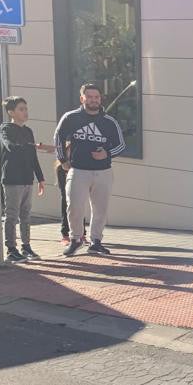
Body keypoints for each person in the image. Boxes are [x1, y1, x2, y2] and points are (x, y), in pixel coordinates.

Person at [53, 83, 125, 257]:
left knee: (100, 209)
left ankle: (96, 242)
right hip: (78, 170)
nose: (94, 100)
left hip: (103, 172)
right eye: (90, 97)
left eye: (97, 97)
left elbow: (121, 145)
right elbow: (58, 137)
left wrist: (107, 154)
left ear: (100, 99)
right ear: (82, 98)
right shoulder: (71, 118)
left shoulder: (109, 121)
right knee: (74, 207)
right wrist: (63, 160)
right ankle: (76, 239)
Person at [0, 97, 53, 262]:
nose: (25, 112)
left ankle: (26, 246)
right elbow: (11, 147)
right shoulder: (5, 129)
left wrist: (40, 178)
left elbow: (33, 157)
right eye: (21, 109)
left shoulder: (28, 131)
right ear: (11, 112)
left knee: (26, 215)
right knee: (11, 215)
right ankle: (11, 249)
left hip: (27, 178)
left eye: (26, 108)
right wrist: (33, 146)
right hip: (12, 178)